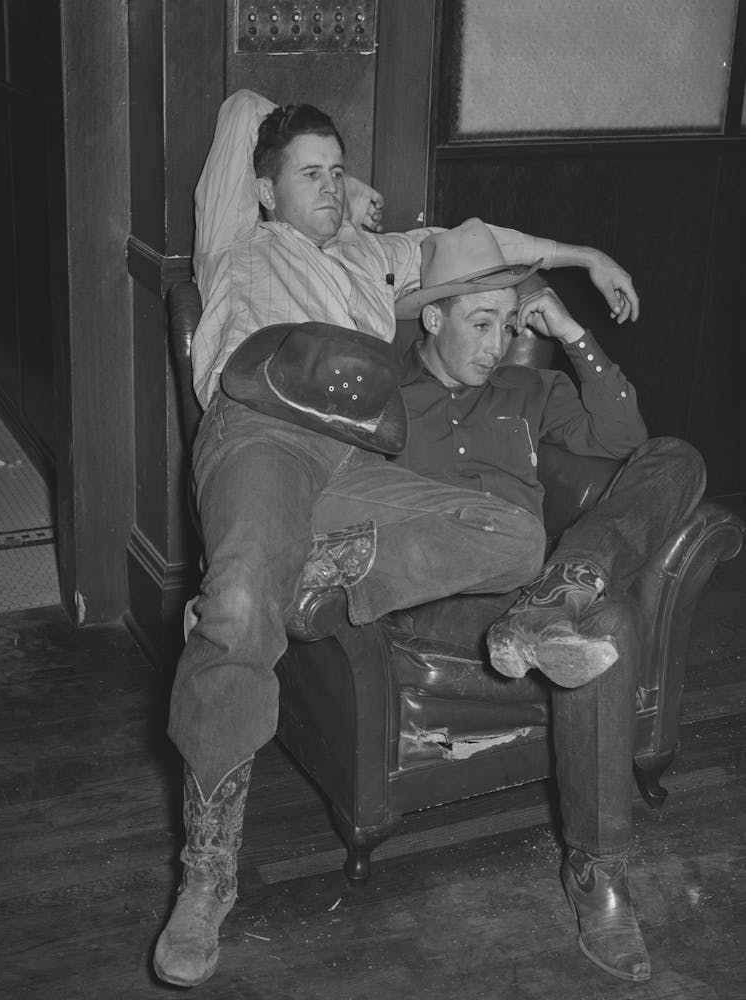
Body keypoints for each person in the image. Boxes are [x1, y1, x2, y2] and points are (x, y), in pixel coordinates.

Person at [153, 90, 653, 988]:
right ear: (263, 190)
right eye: (311, 175)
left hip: (356, 456)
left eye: (338, 172)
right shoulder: (240, 233)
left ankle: (313, 572)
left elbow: (484, 241)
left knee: (511, 534)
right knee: (235, 606)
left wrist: (584, 255)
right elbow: (240, 108)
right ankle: (207, 876)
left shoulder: (371, 259)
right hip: (263, 430)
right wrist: (345, 179)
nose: (331, 189)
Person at [387, 219, 706, 981]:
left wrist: (567, 330)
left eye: (506, 323)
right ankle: (599, 874)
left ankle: (564, 593)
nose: (495, 343)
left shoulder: (527, 388)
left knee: (678, 460)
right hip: (446, 599)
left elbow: (625, 437)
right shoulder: (386, 401)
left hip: (538, 584)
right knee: (613, 621)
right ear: (432, 317)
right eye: (479, 323)